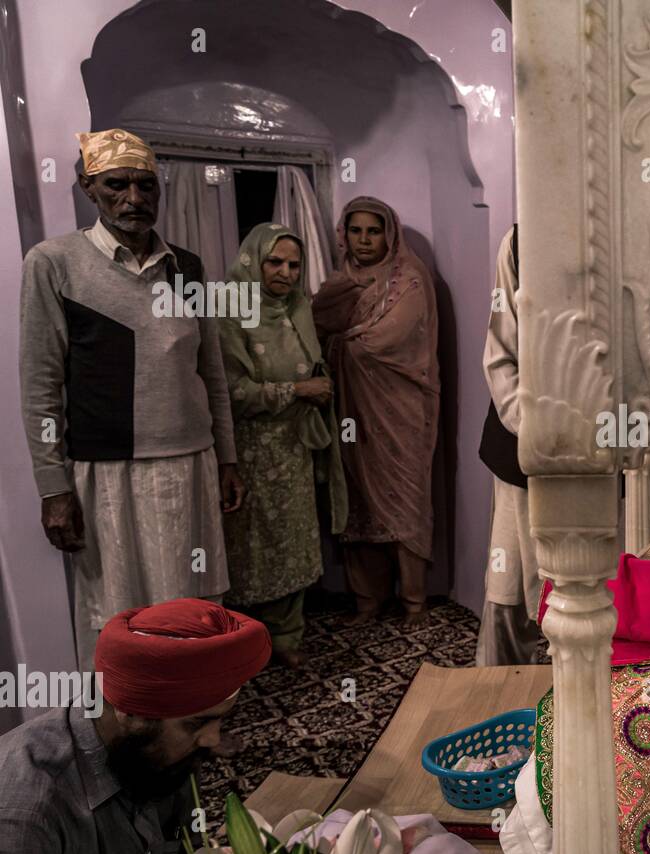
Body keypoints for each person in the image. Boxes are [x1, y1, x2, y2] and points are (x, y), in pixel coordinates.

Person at [19, 128, 244, 668]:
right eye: (116, 185)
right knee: (119, 618)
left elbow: (210, 371)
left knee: (195, 608)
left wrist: (228, 458)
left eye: (146, 185)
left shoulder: (186, 267)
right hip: (106, 475)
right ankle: (127, 740)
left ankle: (195, 725)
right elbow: (40, 384)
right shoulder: (54, 263)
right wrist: (53, 489)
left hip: (191, 465)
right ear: (87, 188)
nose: (135, 199)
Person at [0, 599, 270, 854]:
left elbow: (185, 847)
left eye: (220, 720)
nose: (213, 739)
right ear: (131, 714)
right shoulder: (29, 814)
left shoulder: (163, 750)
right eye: (197, 723)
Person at [220, 224, 347, 667]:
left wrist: (315, 389)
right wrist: (298, 389)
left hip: (294, 448)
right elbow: (232, 391)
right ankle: (242, 644)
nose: (286, 273)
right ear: (253, 260)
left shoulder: (298, 307)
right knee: (251, 547)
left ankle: (287, 636)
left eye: (294, 265)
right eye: (275, 262)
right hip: (249, 452)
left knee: (294, 540)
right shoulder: (229, 308)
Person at [313, 197, 439, 622]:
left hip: (401, 412)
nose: (364, 240)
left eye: (374, 231)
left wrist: (342, 341)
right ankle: (367, 600)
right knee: (358, 501)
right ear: (343, 235)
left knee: (406, 500)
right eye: (356, 231)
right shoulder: (338, 283)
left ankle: (414, 601)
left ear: (390, 234)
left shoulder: (409, 281)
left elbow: (392, 339)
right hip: (351, 413)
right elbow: (313, 331)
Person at [477, 225, 545, 666]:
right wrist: (537, 431)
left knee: (586, 599)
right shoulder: (521, 240)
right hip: (521, 449)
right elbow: (501, 350)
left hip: (598, 454)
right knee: (505, 597)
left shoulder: (619, 235)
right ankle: (498, 708)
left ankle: (582, 717)